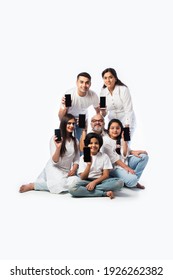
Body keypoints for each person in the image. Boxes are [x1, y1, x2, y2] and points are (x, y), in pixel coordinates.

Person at [19, 114, 80, 194]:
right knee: (58, 184)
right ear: (64, 124)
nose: (71, 125)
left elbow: (76, 159)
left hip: (66, 171)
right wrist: (58, 148)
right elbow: (54, 161)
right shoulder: (54, 139)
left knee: (77, 181)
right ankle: (33, 186)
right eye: (69, 123)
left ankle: (58, 183)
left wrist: (74, 169)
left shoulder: (75, 141)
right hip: (55, 167)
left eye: (73, 123)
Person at [69, 133, 124, 199]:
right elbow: (82, 177)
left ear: (100, 144)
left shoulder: (104, 156)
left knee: (120, 183)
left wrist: (94, 183)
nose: (93, 145)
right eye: (91, 143)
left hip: (100, 181)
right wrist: (89, 165)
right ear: (87, 144)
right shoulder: (82, 158)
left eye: (96, 143)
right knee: (72, 188)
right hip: (86, 181)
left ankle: (87, 189)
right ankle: (103, 193)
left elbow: (106, 175)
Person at [102, 119, 149, 189]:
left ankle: (134, 180)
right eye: (112, 128)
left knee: (144, 157)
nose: (115, 130)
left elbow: (125, 154)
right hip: (114, 167)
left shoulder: (121, 139)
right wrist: (126, 168)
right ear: (108, 129)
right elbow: (115, 160)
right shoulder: (105, 140)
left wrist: (125, 141)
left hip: (125, 162)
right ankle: (132, 181)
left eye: (117, 128)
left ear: (121, 130)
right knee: (132, 180)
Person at [58, 72, 100, 141]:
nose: (84, 85)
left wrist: (96, 123)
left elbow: (98, 112)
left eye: (87, 83)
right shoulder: (69, 94)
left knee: (82, 143)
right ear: (77, 83)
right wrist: (65, 107)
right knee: (63, 142)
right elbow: (60, 117)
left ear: (90, 84)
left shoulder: (93, 95)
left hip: (82, 118)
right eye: (81, 82)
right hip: (68, 118)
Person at [100, 68, 136, 137]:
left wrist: (126, 127)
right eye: (105, 78)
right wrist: (103, 111)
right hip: (113, 125)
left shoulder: (123, 89)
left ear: (115, 78)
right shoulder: (102, 92)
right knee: (114, 145)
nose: (108, 80)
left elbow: (128, 110)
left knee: (125, 144)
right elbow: (104, 114)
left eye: (110, 77)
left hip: (126, 121)